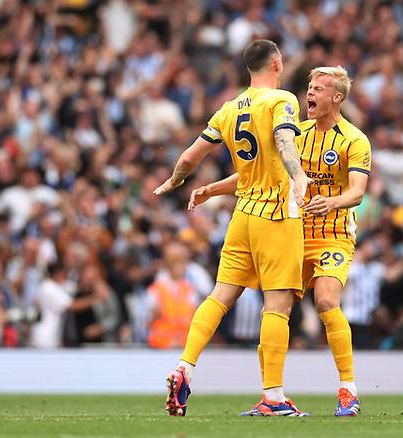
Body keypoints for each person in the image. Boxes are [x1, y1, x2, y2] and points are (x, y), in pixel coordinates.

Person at [189, 66, 371, 416]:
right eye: (310, 86)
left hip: (333, 236)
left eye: (320, 88)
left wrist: (331, 202)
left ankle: (348, 389)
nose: (311, 93)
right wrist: (213, 188)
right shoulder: (295, 134)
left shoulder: (354, 140)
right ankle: (272, 396)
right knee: (277, 309)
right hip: (294, 233)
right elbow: (254, 174)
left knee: (325, 300)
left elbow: (358, 192)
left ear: (338, 97)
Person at [153, 39, 310, 417]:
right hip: (276, 213)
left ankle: (184, 366)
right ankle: (273, 397)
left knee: (220, 296)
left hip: (242, 214)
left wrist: (175, 182)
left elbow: (190, 157)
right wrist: (299, 175)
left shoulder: (229, 108)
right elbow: (284, 140)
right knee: (277, 305)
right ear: (277, 63)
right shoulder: (281, 100)